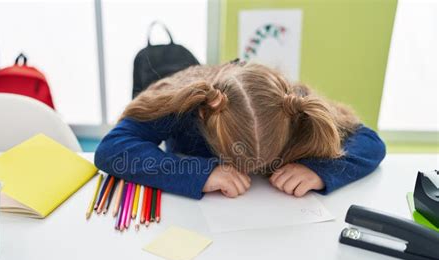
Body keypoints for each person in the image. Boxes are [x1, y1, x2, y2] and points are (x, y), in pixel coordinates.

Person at [95, 61, 385, 199]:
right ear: (205, 118)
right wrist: (199, 173)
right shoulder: (185, 106)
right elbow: (111, 150)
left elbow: (370, 141)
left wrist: (320, 172)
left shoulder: (294, 106)